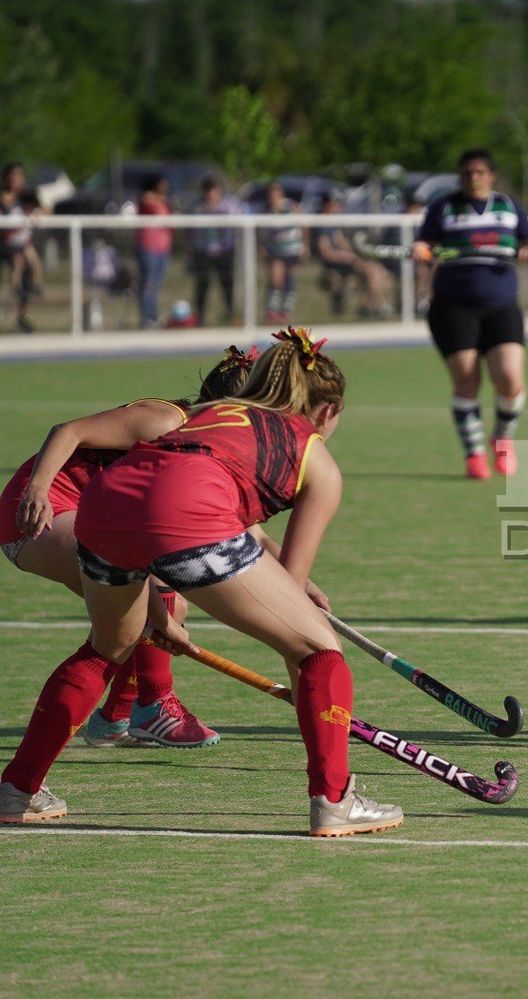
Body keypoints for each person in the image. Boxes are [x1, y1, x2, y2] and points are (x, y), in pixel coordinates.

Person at [0, 330, 402, 837]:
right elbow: (290, 604)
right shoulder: (314, 456)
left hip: (102, 510)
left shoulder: (208, 415)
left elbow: (194, 495)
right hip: (145, 514)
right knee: (320, 648)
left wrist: (161, 613)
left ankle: (17, 789)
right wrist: (311, 673)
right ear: (326, 411)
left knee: (108, 646)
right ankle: (334, 799)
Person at [0, 347, 262, 749]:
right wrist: (37, 490)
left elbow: (245, 530)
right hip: (42, 509)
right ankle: (152, 705)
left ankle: (118, 716)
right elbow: (68, 431)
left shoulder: (209, 448)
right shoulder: (166, 420)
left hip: (97, 519)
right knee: (151, 597)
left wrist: (301, 582)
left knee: (159, 610)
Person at [413, 148, 528, 480]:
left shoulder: (509, 206)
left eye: (479, 172)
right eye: (467, 173)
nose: (473, 177)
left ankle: (502, 438)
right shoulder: (443, 208)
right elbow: (425, 246)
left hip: (501, 305)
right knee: (467, 380)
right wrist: (422, 250)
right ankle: (473, 454)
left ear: (491, 175)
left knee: (511, 379)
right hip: (453, 307)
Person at [314, 193, 391, 318]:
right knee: (373, 271)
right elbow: (326, 252)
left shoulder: (334, 224)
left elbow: (342, 243)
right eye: (336, 204)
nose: (339, 208)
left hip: (347, 262)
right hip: (336, 264)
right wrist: (348, 257)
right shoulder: (321, 224)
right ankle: (376, 306)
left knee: (376, 270)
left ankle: (368, 305)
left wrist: (356, 253)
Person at [189, 176, 239, 326]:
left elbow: (238, 220)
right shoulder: (197, 207)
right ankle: (200, 316)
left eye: (214, 190)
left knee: (227, 283)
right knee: (202, 283)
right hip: (203, 251)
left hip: (224, 250)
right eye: (208, 190)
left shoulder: (228, 205)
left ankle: (230, 314)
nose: (211, 194)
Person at [0, 163, 42, 332]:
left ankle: (24, 313)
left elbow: (44, 209)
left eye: (20, 175)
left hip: (20, 244)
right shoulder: (5, 196)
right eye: (15, 175)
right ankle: (15, 286)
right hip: (4, 243)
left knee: (31, 262)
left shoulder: (28, 196)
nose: (18, 179)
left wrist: (37, 212)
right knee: (19, 260)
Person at [261, 181, 305, 324]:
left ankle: (286, 312)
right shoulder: (266, 210)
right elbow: (262, 231)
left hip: (292, 248)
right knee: (276, 279)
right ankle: (272, 311)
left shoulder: (290, 206)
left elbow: (303, 224)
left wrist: (305, 244)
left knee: (289, 280)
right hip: (276, 250)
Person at [136, 174, 172, 328]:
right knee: (148, 284)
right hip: (148, 246)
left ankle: (154, 315)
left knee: (155, 284)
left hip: (162, 247)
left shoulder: (163, 200)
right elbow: (150, 204)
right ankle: (148, 318)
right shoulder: (148, 198)